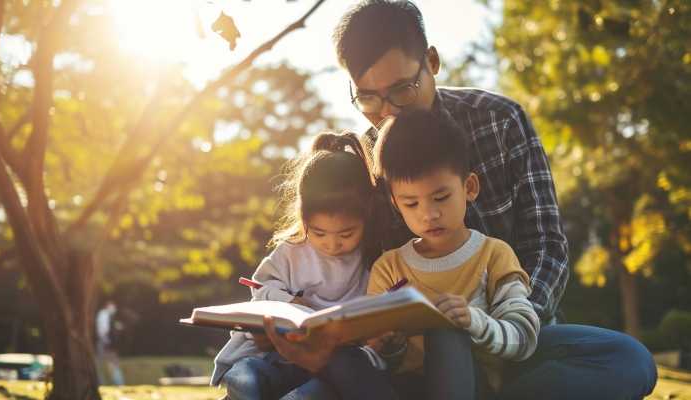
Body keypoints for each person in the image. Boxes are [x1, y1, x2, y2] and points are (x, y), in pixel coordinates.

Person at [264, 1, 657, 399]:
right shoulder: (365, 161)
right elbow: (359, 271)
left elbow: (546, 247)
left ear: (431, 62)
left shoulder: (500, 121)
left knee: (629, 361)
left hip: (512, 341)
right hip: (416, 358)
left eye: (402, 89)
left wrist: (497, 330)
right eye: (367, 98)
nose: (386, 112)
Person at [362, 110, 540, 399]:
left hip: (473, 387)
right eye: (411, 203)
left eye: (441, 198)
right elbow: (381, 358)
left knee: (444, 332)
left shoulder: (493, 254)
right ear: (396, 203)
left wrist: (472, 321)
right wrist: (389, 343)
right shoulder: (389, 267)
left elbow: (524, 337)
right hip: (405, 390)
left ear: (469, 187)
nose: (428, 215)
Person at [212, 132, 395, 400]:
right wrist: (289, 303)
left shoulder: (374, 257)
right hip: (281, 354)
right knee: (252, 373)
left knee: (324, 387)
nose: (332, 245)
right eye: (319, 233)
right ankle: (248, 383)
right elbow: (262, 289)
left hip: (334, 364)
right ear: (303, 216)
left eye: (346, 234)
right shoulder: (291, 251)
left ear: (367, 214)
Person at [95, 300, 125, 386]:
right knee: (109, 363)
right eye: (112, 306)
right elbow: (103, 330)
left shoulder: (108, 316)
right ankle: (118, 383)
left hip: (107, 343)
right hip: (106, 343)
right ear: (108, 306)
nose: (114, 308)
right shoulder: (104, 315)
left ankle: (115, 382)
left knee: (105, 363)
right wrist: (106, 341)